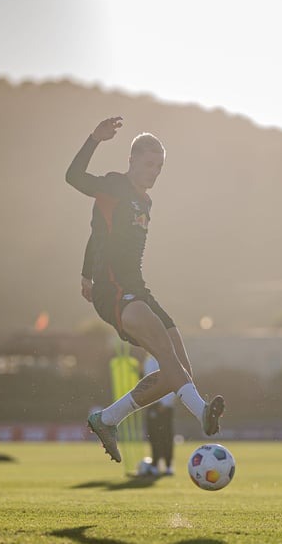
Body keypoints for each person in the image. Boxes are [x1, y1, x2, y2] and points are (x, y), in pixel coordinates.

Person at [66, 116, 224, 463]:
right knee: (169, 361)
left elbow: (98, 233)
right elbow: (73, 178)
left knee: (178, 371)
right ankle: (202, 413)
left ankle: (107, 419)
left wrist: (83, 273)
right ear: (132, 160)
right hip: (114, 291)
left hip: (138, 289)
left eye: (159, 166)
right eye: (148, 163)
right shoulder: (113, 185)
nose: (154, 171)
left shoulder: (146, 202)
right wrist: (94, 138)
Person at [143, 354, 175, 475]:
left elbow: (173, 383)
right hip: (152, 403)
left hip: (165, 406)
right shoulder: (148, 361)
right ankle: (155, 464)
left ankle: (168, 465)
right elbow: (147, 384)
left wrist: (165, 403)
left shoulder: (168, 360)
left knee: (166, 435)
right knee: (154, 436)